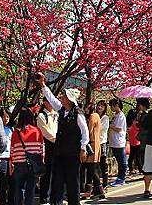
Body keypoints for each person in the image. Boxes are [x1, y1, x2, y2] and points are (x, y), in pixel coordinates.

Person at [35, 75, 88, 205]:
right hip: (60, 152)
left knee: (72, 183)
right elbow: (51, 99)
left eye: (64, 97)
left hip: (72, 154)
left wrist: (83, 148)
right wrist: (43, 85)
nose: (62, 98)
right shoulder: (61, 110)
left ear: (69, 100)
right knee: (57, 182)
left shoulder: (78, 114)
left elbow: (85, 132)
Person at [10, 108, 44, 205]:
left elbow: (12, 150)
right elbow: (41, 148)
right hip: (33, 165)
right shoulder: (37, 131)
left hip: (19, 164)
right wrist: (40, 161)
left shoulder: (15, 132)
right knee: (30, 190)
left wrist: (12, 163)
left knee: (18, 189)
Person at [36, 98, 57, 205]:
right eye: (50, 101)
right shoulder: (41, 116)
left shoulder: (56, 114)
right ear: (45, 103)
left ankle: (54, 197)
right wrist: (59, 139)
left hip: (58, 146)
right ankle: (44, 198)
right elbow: (46, 133)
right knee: (47, 173)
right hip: (48, 146)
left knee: (56, 173)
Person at [80, 103, 104, 200]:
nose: (85, 110)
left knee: (91, 169)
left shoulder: (92, 116)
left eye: (87, 108)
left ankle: (93, 191)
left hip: (92, 144)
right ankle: (94, 191)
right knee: (92, 169)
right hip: (96, 144)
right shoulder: (97, 116)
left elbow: (88, 131)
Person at [108, 99, 127, 187]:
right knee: (119, 161)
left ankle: (121, 178)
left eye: (111, 106)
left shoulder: (121, 116)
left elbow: (119, 129)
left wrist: (110, 126)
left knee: (122, 161)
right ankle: (120, 178)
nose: (111, 107)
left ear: (116, 105)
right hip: (114, 142)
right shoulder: (116, 115)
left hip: (119, 142)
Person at [0, 109, 12, 205]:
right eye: (4, 116)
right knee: (2, 183)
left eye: (7, 116)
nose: (6, 119)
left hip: (10, 158)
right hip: (1, 158)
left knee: (10, 183)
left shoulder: (12, 129)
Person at [96, 100, 109, 189]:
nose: (99, 107)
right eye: (98, 105)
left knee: (103, 164)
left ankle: (105, 183)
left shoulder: (105, 118)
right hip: (95, 142)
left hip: (102, 142)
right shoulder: (95, 116)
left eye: (102, 106)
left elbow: (101, 128)